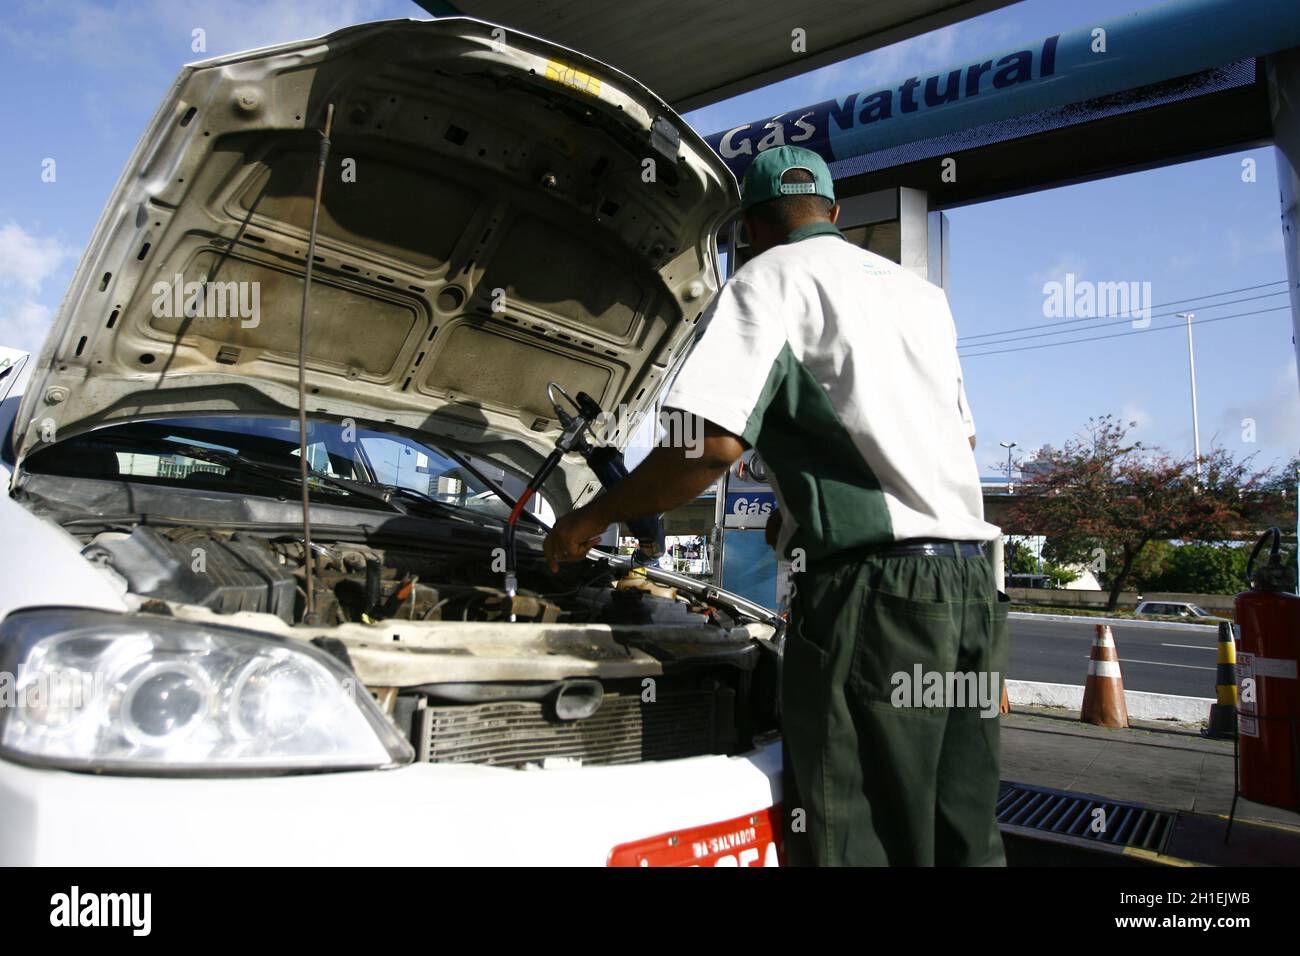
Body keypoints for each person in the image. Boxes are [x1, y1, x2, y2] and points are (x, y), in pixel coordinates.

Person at [543, 145, 1006, 866]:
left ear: (747, 229)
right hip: (972, 587)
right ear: (834, 213)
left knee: (865, 831)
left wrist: (591, 516)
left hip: (874, 597)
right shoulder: (921, 296)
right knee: (960, 825)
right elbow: (958, 440)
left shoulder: (768, 279)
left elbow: (708, 445)